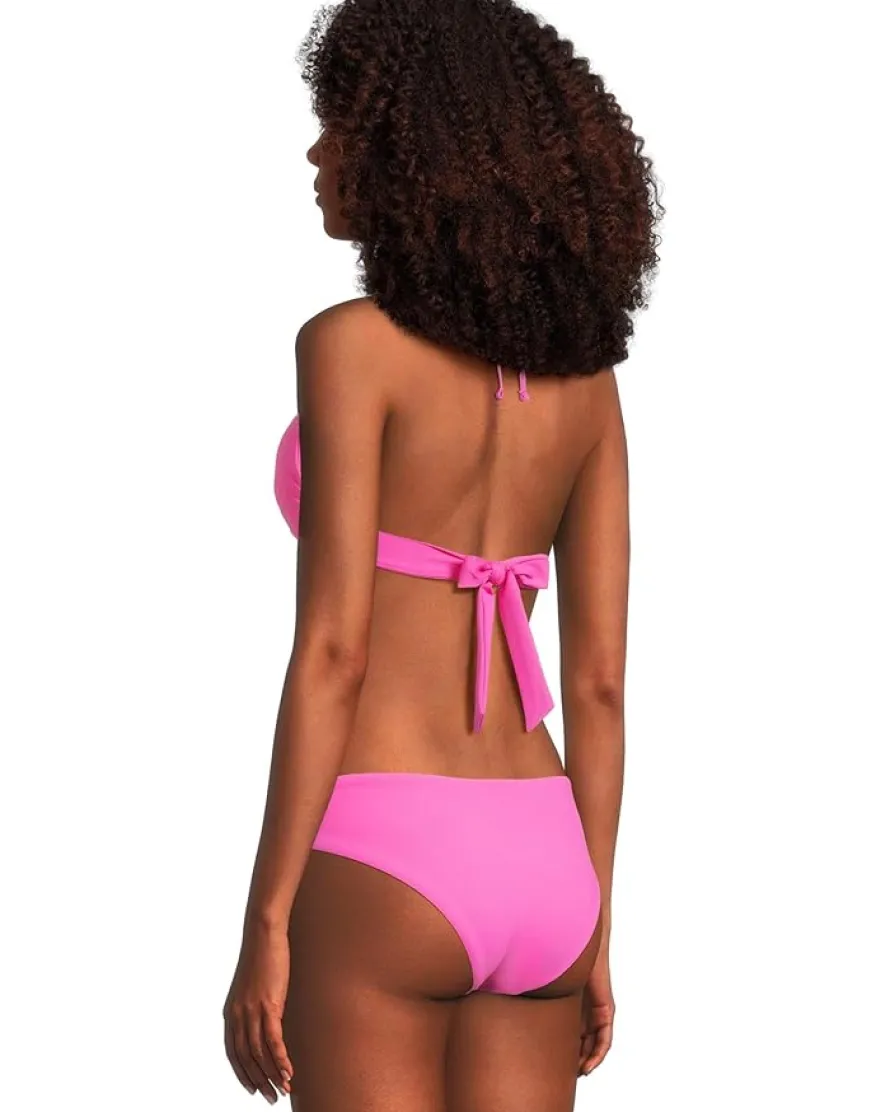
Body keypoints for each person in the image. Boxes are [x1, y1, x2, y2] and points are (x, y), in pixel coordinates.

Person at [223, 1, 662, 1108]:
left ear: (413, 153)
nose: (317, 154)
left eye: (340, 127)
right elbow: (600, 685)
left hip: (387, 850)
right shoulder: (589, 387)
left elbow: (334, 652)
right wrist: (596, 921)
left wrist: (266, 917)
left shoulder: (349, 348)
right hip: (548, 857)